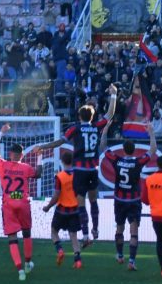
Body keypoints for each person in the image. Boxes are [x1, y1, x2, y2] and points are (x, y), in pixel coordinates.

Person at [32, 84, 118, 244]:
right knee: (93, 201)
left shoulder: (75, 129)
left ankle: (85, 235)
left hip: (80, 170)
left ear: (79, 116)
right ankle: (96, 229)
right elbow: (110, 114)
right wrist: (114, 95)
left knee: (81, 203)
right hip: (93, 169)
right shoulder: (96, 126)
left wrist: (43, 146)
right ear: (92, 117)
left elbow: (60, 142)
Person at [99, 120, 156, 271]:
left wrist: (106, 129)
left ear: (123, 150)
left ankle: (119, 255)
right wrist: (151, 132)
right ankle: (131, 261)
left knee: (119, 228)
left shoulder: (117, 160)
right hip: (134, 200)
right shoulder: (138, 162)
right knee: (134, 231)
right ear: (134, 150)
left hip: (119, 199)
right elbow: (153, 150)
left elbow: (103, 147)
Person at [0, 124, 42, 281]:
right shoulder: (26, 167)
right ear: (22, 155)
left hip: (8, 202)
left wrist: (1, 132)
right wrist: (40, 156)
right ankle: (27, 263)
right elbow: (38, 174)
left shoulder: (2, 164)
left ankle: (20, 271)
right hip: (23, 201)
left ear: (10, 154)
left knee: (12, 237)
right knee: (27, 233)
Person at [42, 151, 83, 269]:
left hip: (62, 210)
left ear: (62, 161)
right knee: (73, 235)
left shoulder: (60, 176)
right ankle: (78, 260)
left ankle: (59, 250)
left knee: (54, 231)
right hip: (75, 210)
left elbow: (56, 195)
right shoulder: (78, 175)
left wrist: (48, 207)